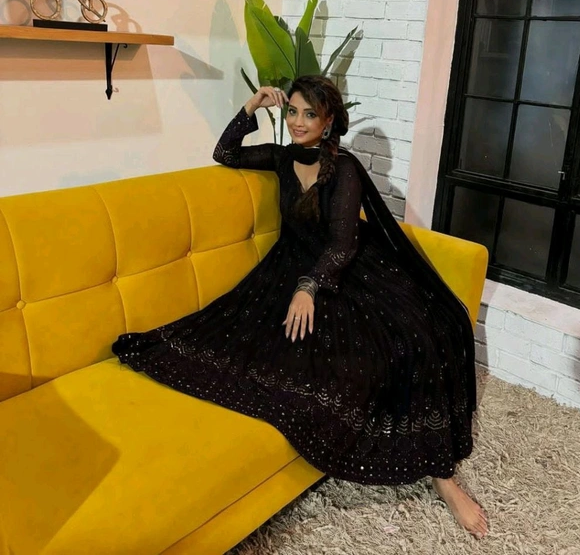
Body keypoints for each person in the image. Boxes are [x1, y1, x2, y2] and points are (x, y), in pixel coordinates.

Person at [113, 75, 488, 538]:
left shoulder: (344, 168)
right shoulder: (281, 156)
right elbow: (225, 153)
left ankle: (442, 476)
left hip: (342, 266)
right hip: (287, 267)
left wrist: (309, 286)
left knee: (420, 332)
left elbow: (343, 243)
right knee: (262, 352)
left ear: (328, 121)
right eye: (292, 111)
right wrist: (252, 105)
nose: (297, 122)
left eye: (310, 114)